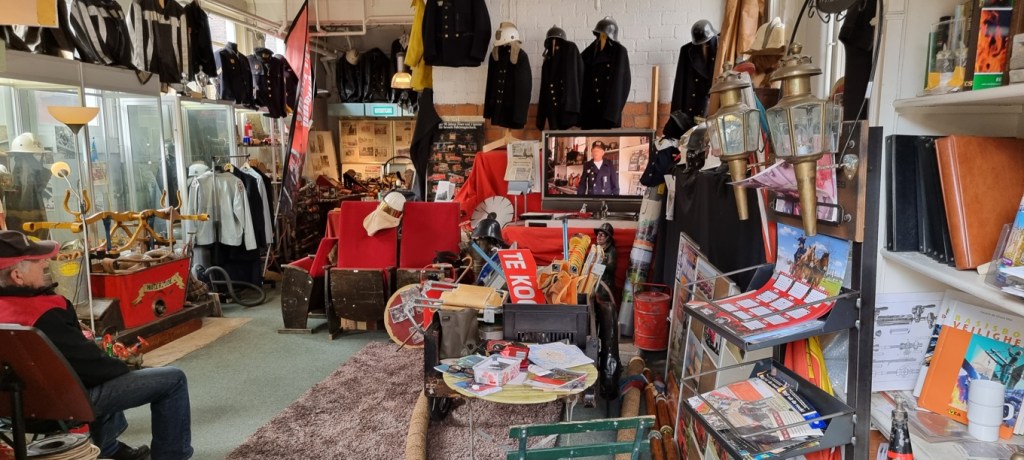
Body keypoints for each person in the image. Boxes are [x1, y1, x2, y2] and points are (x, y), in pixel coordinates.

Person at [0, 230, 193, 460]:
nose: (45, 262)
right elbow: (92, 368)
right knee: (173, 379)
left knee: (103, 367)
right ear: (17, 276)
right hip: (62, 406)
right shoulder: (44, 313)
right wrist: (122, 365)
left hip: (12, 410)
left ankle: (109, 450)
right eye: (36, 260)